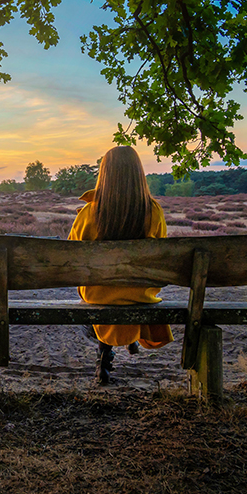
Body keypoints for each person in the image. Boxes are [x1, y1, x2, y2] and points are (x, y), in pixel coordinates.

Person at [67, 145, 173, 384]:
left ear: (104, 174)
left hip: (98, 296)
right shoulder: (153, 211)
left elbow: (71, 259)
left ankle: (105, 349)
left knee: (98, 298)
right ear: (138, 174)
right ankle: (129, 336)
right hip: (140, 296)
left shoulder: (88, 213)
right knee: (128, 294)